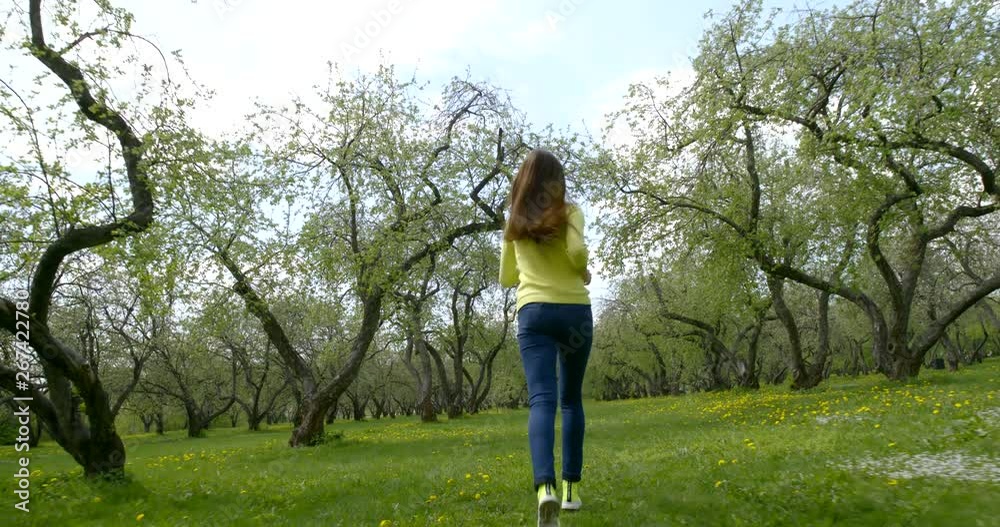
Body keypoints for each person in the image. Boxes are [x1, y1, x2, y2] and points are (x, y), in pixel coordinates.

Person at [499, 148, 594, 527]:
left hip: (534, 312)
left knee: (542, 399)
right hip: (574, 312)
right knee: (571, 400)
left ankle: (545, 490)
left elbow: (506, 278)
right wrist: (582, 271)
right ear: (557, 181)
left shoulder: (514, 222)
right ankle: (571, 492)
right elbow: (577, 253)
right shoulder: (571, 212)